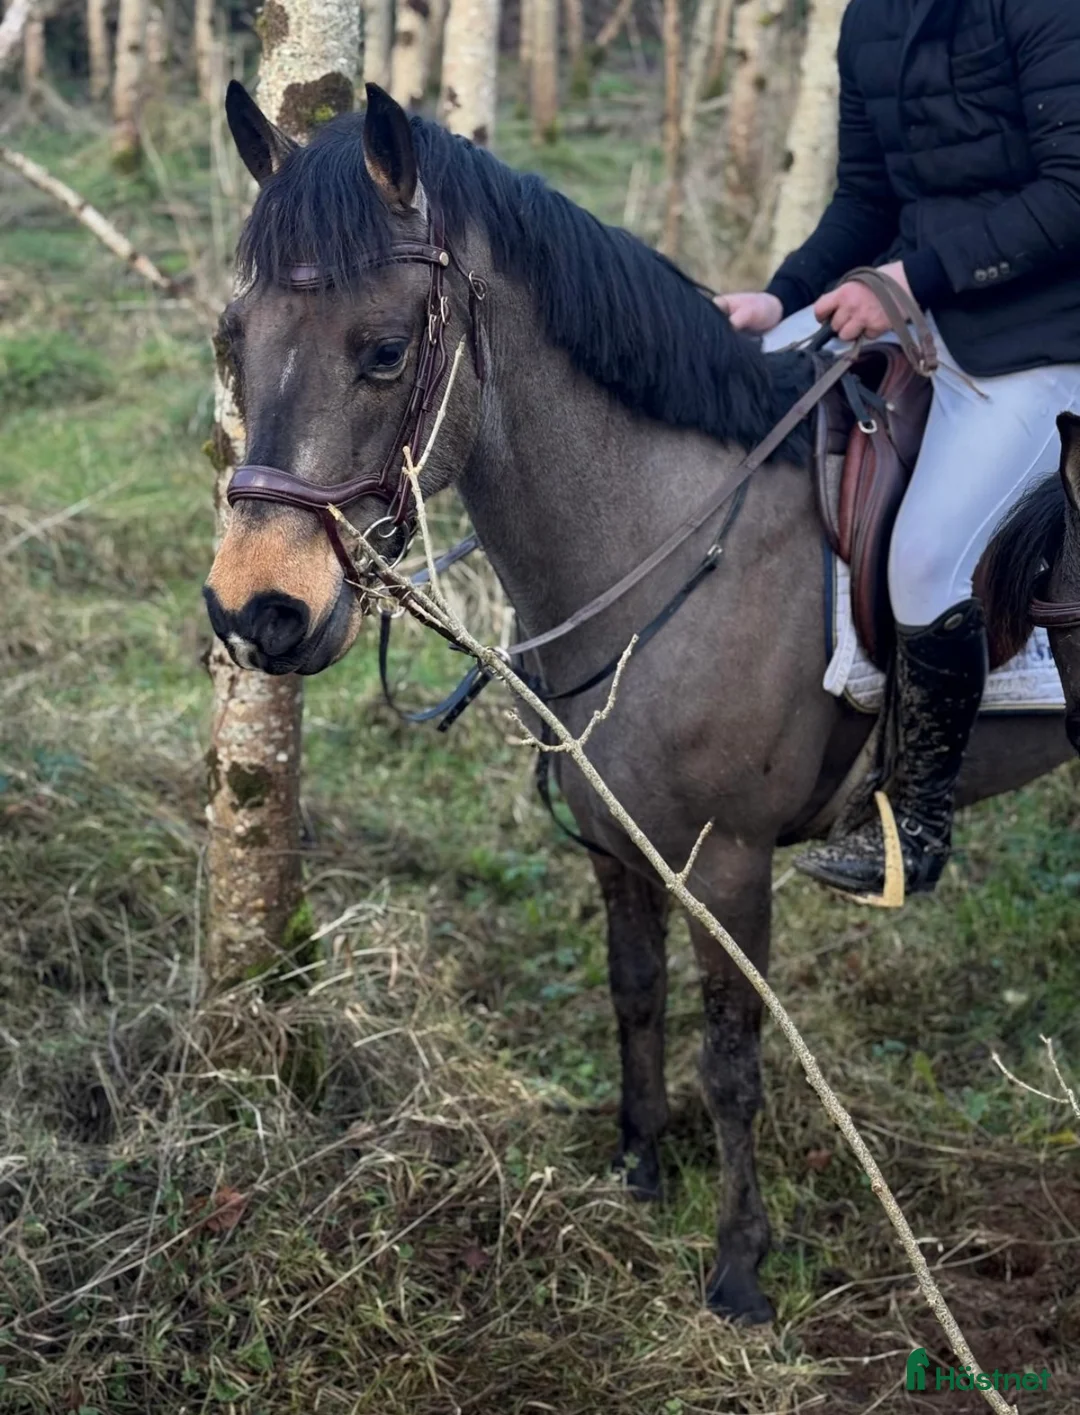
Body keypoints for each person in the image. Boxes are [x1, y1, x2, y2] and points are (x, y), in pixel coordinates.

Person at [716, 0, 1080, 900]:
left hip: (1044, 335)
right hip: (923, 316)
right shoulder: (868, 18)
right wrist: (783, 296)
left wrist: (911, 280)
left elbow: (1072, 190)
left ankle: (913, 825)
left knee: (926, 560)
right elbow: (868, 199)